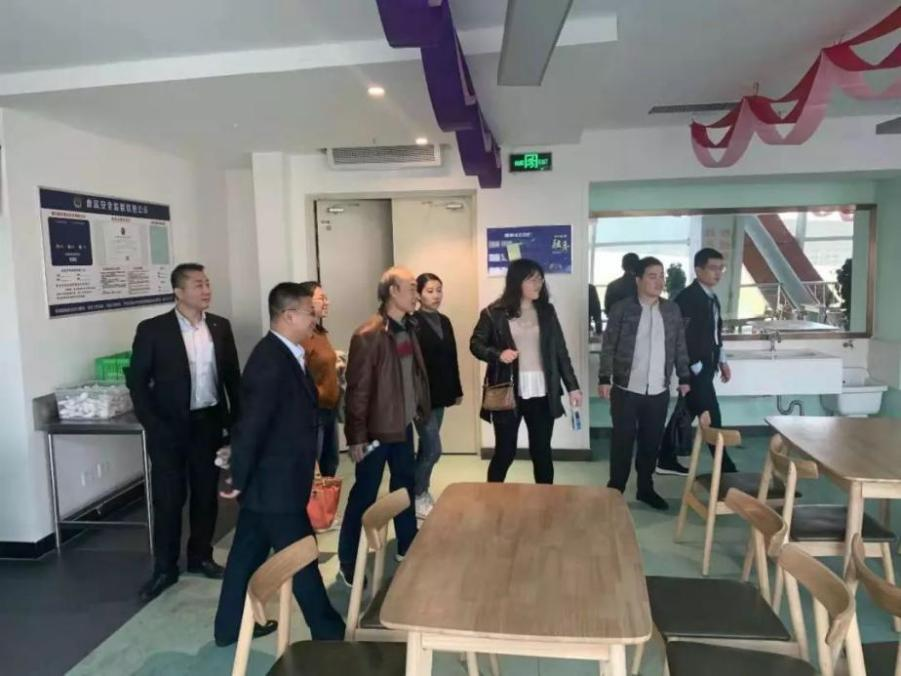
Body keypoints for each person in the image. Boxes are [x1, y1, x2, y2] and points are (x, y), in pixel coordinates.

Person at [213, 282, 345, 646]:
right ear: (288, 316)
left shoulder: (288, 353)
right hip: (275, 484)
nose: (314, 319)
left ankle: (228, 628)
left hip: (274, 481)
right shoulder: (269, 361)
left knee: (245, 557)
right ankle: (329, 633)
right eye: (308, 313)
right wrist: (236, 476)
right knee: (303, 559)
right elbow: (251, 425)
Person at [127, 263, 241, 602]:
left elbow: (232, 378)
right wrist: (152, 424)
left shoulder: (219, 326)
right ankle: (165, 568)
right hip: (169, 427)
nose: (206, 290)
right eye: (197, 285)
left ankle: (200, 555)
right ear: (178, 292)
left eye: (207, 283)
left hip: (208, 423)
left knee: (205, 494)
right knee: (169, 498)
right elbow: (137, 381)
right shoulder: (153, 330)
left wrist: (237, 424)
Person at [337, 267, 430, 585]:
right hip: (376, 432)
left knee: (404, 488)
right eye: (411, 287)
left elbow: (412, 376)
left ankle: (407, 544)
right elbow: (357, 390)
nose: (416, 294)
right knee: (364, 493)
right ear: (392, 291)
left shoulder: (408, 327)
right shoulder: (368, 334)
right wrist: (356, 436)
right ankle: (348, 560)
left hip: (402, 426)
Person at [470, 258, 582, 485]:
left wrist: (573, 387)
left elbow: (560, 352)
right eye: (532, 279)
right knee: (505, 451)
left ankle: (545, 499)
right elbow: (476, 344)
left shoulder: (547, 311)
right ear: (517, 282)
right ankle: (492, 496)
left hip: (543, 390)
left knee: (542, 451)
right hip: (508, 391)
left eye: (540, 279)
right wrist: (498, 354)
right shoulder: (493, 313)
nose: (538, 284)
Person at [598, 256, 690, 511]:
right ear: (638, 279)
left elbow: (680, 345)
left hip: (658, 389)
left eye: (661, 276)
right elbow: (608, 346)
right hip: (626, 389)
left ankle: (645, 488)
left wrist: (684, 377)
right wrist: (604, 378)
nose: (658, 281)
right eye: (652, 276)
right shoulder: (622, 309)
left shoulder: (671, 310)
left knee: (651, 442)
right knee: (622, 441)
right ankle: (615, 489)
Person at [657, 248, 737, 475]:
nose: (718, 273)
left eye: (721, 268)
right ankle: (726, 467)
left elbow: (714, 334)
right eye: (713, 268)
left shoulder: (710, 296)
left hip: (707, 365)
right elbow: (680, 336)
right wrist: (693, 366)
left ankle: (664, 458)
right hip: (695, 368)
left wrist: (722, 360)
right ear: (698, 270)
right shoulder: (687, 298)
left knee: (685, 412)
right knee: (712, 415)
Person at [411, 273, 463, 519]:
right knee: (433, 449)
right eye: (430, 291)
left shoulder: (445, 321)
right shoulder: (412, 322)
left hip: (441, 393)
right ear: (419, 294)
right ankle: (417, 493)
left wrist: (457, 390)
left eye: (439, 290)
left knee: (426, 448)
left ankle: (421, 491)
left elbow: (452, 358)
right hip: (421, 397)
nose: (436, 295)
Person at [299, 281, 340, 478]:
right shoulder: (303, 336)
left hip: (329, 410)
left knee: (329, 465)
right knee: (313, 470)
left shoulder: (319, 332)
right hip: (313, 412)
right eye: (321, 298)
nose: (327, 302)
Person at [604, 252, 640, 317]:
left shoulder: (612, 286)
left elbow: (608, 310)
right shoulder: (645, 285)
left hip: (618, 321)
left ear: (623, 266)